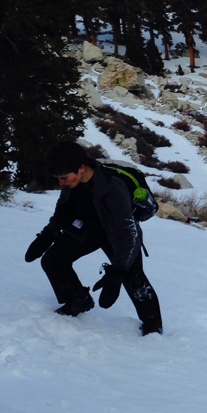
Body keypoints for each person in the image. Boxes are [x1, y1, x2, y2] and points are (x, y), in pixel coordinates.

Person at [24, 140, 163, 336]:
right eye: (59, 178)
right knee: (53, 261)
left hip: (117, 235)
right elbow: (63, 210)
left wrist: (117, 271)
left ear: (82, 168)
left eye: (64, 178)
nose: (61, 183)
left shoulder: (113, 188)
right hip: (88, 230)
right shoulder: (71, 182)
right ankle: (78, 299)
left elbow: (127, 232)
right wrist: (49, 233)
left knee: (135, 281)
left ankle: (152, 326)